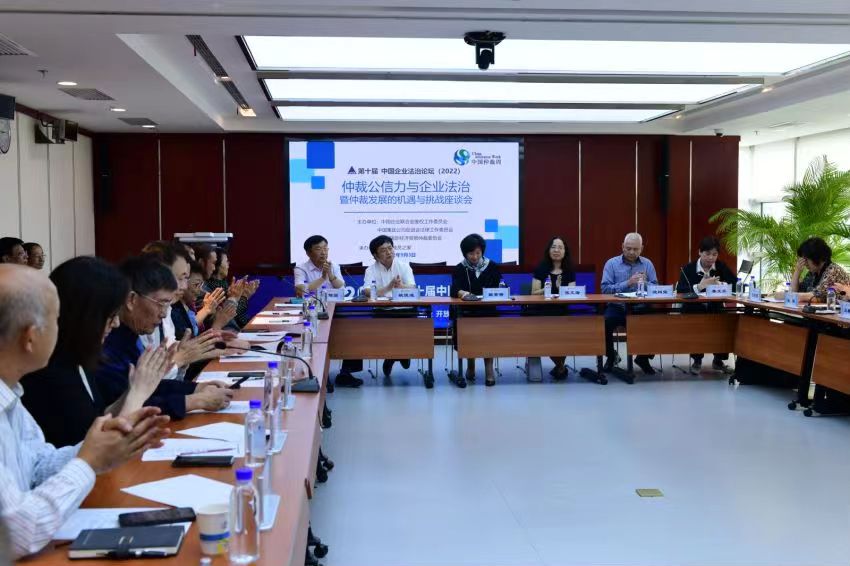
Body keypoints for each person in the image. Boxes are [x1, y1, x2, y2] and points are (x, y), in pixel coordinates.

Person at [0, 264, 170, 559]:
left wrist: (102, 450)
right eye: (55, 320)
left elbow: (37, 467)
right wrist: (88, 461)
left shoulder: (11, 393)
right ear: (30, 337)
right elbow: (16, 533)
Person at [21, 257, 173, 447]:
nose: (116, 323)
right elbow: (98, 448)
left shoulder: (78, 357)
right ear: (85, 316)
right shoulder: (50, 370)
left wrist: (131, 390)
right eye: (111, 316)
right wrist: (138, 393)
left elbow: (98, 419)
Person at [94, 256, 233, 420]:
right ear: (131, 300)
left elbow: (148, 388)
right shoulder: (110, 340)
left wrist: (196, 389)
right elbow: (128, 405)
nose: (164, 313)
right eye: (161, 303)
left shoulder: (130, 335)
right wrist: (194, 401)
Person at [139, 242, 222, 380]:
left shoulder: (167, 309)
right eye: (181, 278)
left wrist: (211, 343)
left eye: (186, 279)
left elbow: (175, 355)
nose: (184, 286)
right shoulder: (148, 313)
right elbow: (147, 381)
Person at [296, 236, 360, 388]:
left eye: (325, 248)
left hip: (335, 309)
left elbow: (341, 287)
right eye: (318, 249)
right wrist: (322, 278)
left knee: (353, 331)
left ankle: (345, 373)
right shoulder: (301, 268)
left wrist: (330, 275)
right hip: (312, 312)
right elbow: (300, 291)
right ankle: (322, 376)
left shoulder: (333, 265)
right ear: (308, 253)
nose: (323, 252)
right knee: (317, 338)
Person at [676, 236, 737, 373]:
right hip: (693, 308)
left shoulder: (721, 267)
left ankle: (718, 360)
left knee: (724, 322)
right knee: (696, 322)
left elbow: (736, 285)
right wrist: (700, 286)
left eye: (714, 254)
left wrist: (722, 285)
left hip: (715, 307)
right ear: (700, 252)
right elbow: (680, 290)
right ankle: (697, 360)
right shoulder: (688, 268)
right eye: (707, 254)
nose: (711, 258)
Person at [600, 232, 658, 375]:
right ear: (622, 247)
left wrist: (645, 283)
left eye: (635, 249)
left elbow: (656, 288)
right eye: (628, 248)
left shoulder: (647, 264)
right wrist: (628, 283)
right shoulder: (611, 263)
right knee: (605, 323)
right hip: (617, 307)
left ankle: (643, 358)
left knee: (656, 321)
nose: (632, 252)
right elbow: (605, 289)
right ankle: (611, 357)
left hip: (641, 307)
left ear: (641, 248)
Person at [450, 233, 503, 387]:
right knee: (466, 328)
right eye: (471, 253)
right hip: (467, 312)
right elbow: (454, 289)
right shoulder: (460, 268)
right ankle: (470, 364)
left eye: (478, 253)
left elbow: (499, 287)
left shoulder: (492, 267)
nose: (475, 257)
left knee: (489, 332)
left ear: (482, 252)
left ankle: (489, 370)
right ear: (465, 253)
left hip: (487, 311)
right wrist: (463, 293)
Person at [363, 234, 417, 377]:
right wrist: (389, 287)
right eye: (383, 250)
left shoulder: (403, 266)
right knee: (388, 329)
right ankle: (395, 355)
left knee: (406, 326)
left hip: (405, 309)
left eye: (390, 248)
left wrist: (401, 286)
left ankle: (396, 355)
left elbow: (412, 287)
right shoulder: (370, 270)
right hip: (383, 310)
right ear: (375, 255)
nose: (389, 252)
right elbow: (367, 291)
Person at [531, 236, 577, 379]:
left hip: (562, 311)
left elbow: (572, 292)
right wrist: (550, 289)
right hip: (543, 312)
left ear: (565, 251)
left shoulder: (569, 270)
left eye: (560, 247)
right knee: (549, 337)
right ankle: (561, 367)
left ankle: (559, 367)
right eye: (553, 247)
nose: (556, 250)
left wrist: (559, 288)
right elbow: (533, 293)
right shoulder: (541, 268)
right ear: (548, 250)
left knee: (564, 337)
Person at [779, 237, 850, 304]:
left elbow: (817, 296)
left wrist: (787, 295)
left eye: (806, 259)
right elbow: (794, 291)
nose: (805, 263)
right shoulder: (813, 272)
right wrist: (797, 271)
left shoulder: (834, 270)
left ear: (816, 257)